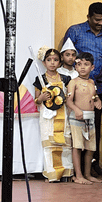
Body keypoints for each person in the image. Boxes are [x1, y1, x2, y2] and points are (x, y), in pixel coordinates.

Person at [63, 3, 102, 177]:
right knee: (77, 129)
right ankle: (77, 169)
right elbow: (67, 54)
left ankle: (94, 165)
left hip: (98, 87)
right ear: (88, 17)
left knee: (94, 128)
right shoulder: (75, 31)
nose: (100, 23)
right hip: (77, 87)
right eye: (97, 20)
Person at [33, 47, 73, 183]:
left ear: (59, 62)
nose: (52, 63)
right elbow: (36, 100)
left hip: (63, 114)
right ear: (44, 63)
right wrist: (41, 98)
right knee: (50, 146)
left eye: (55, 60)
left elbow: (70, 95)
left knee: (65, 144)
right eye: (49, 60)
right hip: (48, 117)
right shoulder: (40, 79)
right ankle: (52, 174)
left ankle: (66, 173)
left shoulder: (65, 79)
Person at [65, 52, 102, 185]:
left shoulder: (92, 82)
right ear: (75, 67)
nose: (82, 67)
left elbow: (94, 96)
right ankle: (78, 175)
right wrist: (76, 110)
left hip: (90, 118)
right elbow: (68, 101)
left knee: (90, 147)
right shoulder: (73, 82)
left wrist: (97, 100)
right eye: (79, 64)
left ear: (92, 67)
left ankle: (87, 174)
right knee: (77, 147)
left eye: (86, 64)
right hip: (77, 118)